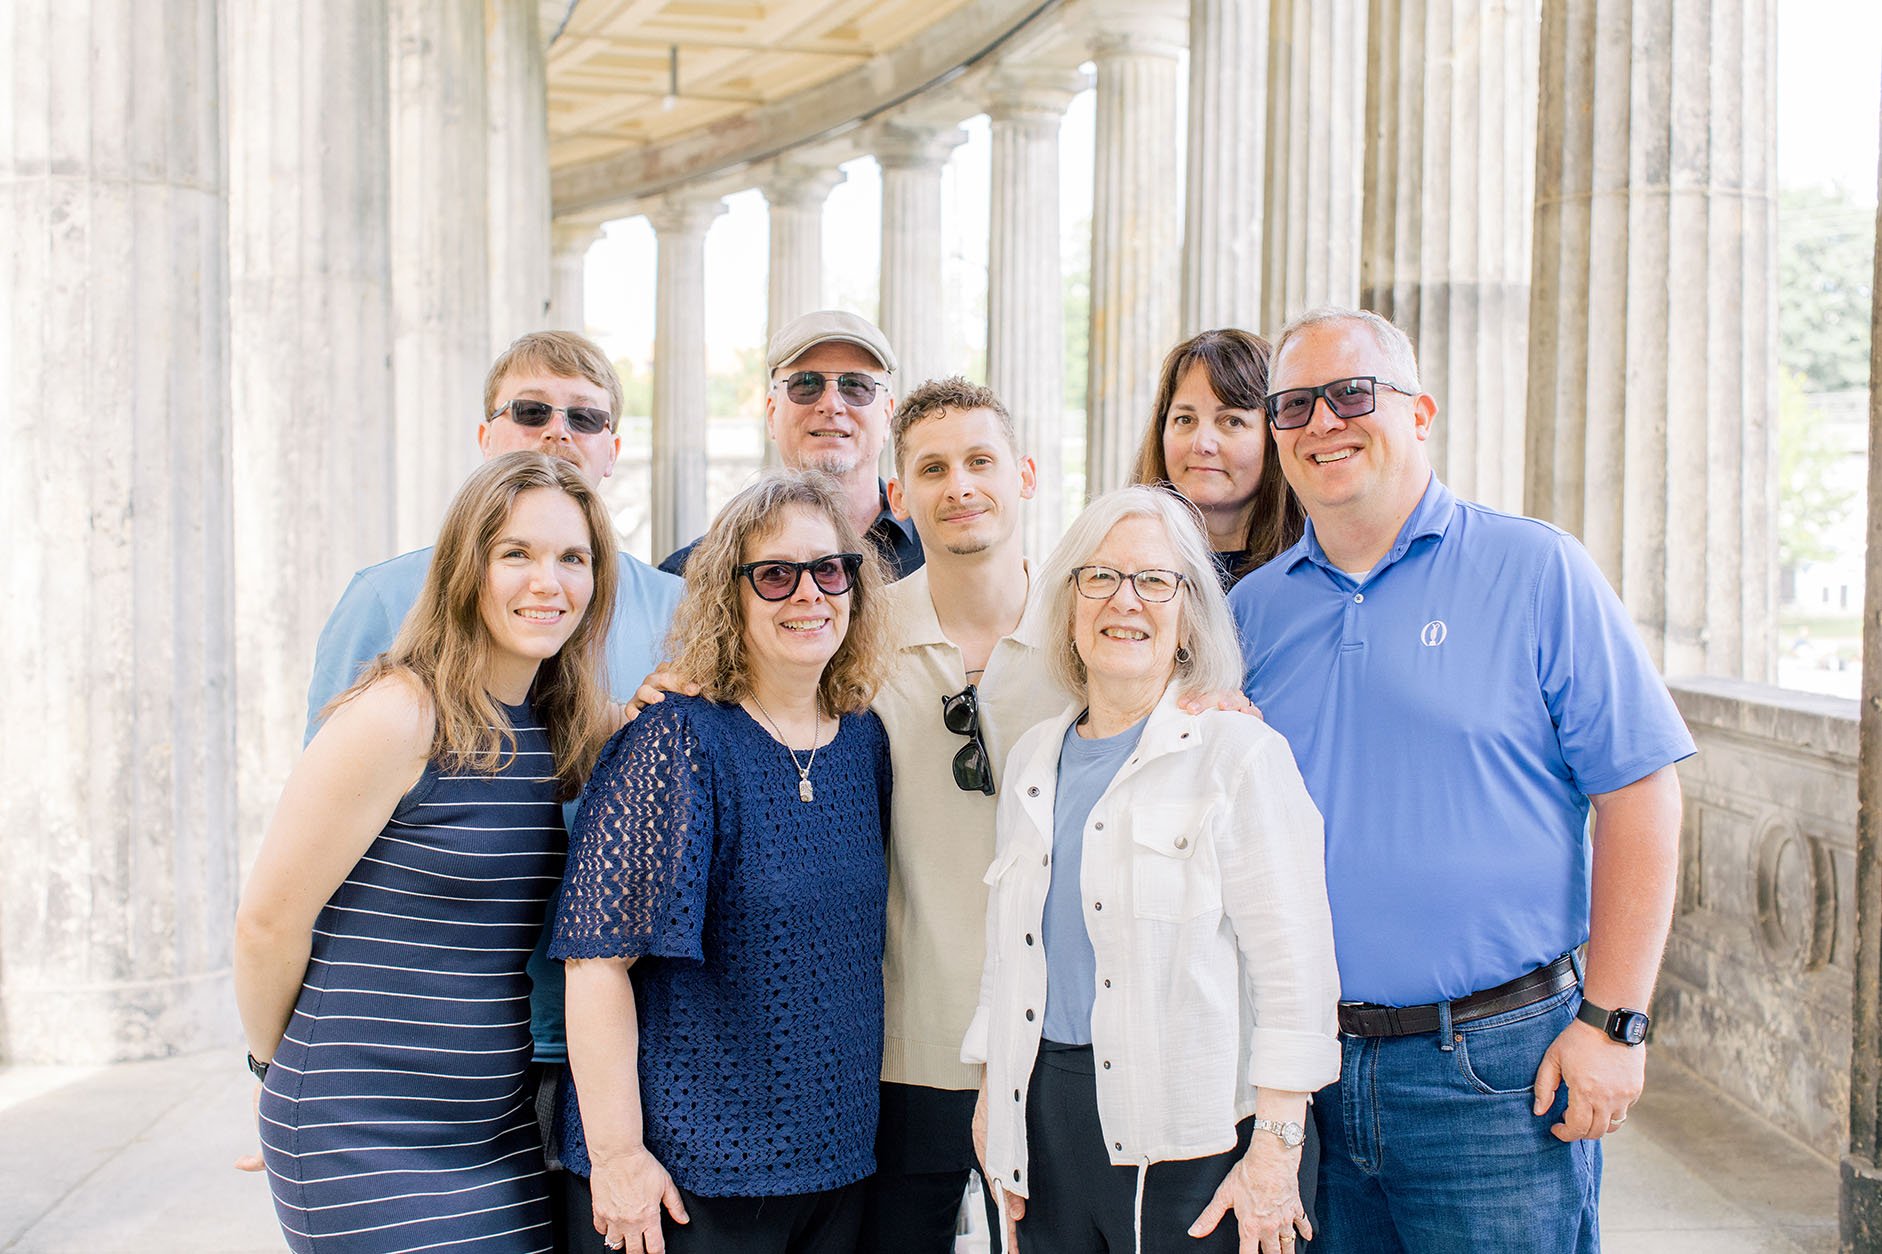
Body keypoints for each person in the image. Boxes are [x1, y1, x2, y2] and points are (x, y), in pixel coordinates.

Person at [1230, 307, 1695, 1252]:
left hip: (1496, 1076)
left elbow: (1641, 794)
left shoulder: (1536, 571)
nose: (1323, 422)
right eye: (1293, 405)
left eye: (1352, 393)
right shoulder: (1252, 612)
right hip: (1301, 1073)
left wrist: (1614, 1023)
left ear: (1420, 412)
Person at [298, 330, 684, 1244]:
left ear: (614, 450)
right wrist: (283, 1068)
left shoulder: (677, 609)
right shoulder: (385, 600)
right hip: (411, 1051)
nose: (558, 434)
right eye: (531, 411)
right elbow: (309, 861)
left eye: (584, 418)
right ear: (486, 435)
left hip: (615, 1043)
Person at [235, 451, 620, 1253]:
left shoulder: (559, 727)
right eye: (515, 553)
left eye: (572, 558)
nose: (547, 581)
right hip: (358, 1129)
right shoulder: (399, 714)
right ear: (464, 568)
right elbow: (268, 923)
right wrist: (279, 1081)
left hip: (493, 1135)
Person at [966, 485, 1342, 1254]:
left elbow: (1296, 975)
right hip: (1045, 1120)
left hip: (1196, 1136)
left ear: (1187, 615)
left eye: (1152, 580)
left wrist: (1275, 1151)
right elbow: (1009, 958)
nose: (1122, 601)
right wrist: (991, 1109)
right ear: (1069, 608)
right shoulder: (1036, 757)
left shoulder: (1240, 758)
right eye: (1098, 577)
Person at [552, 470, 896, 1254]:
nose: (808, 594)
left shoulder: (863, 740)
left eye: (829, 570)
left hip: (835, 1169)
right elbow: (596, 965)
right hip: (687, 1183)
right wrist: (619, 1158)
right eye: (774, 575)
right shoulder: (677, 743)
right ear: (728, 594)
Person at [862, 377, 1063, 1251]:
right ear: (899, 496)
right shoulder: (851, 633)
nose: (961, 486)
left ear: (1023, 474)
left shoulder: (1094, 628)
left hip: (1060, 1042)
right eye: (933, 469)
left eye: (981, 462)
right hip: (905, 1046)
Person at [657, 309, 923, 579]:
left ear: (888, 414)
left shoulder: (943, 556)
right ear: (772, 414)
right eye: (806, 384)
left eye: (855, 385)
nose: (831, 405)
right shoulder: (687, 578)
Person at [1131, 329, 1304, 589]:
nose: (1202, 444)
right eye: (1185, 420)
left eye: (1232, 421)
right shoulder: (1120, 568)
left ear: (1275, 434)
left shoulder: (1316, 576)